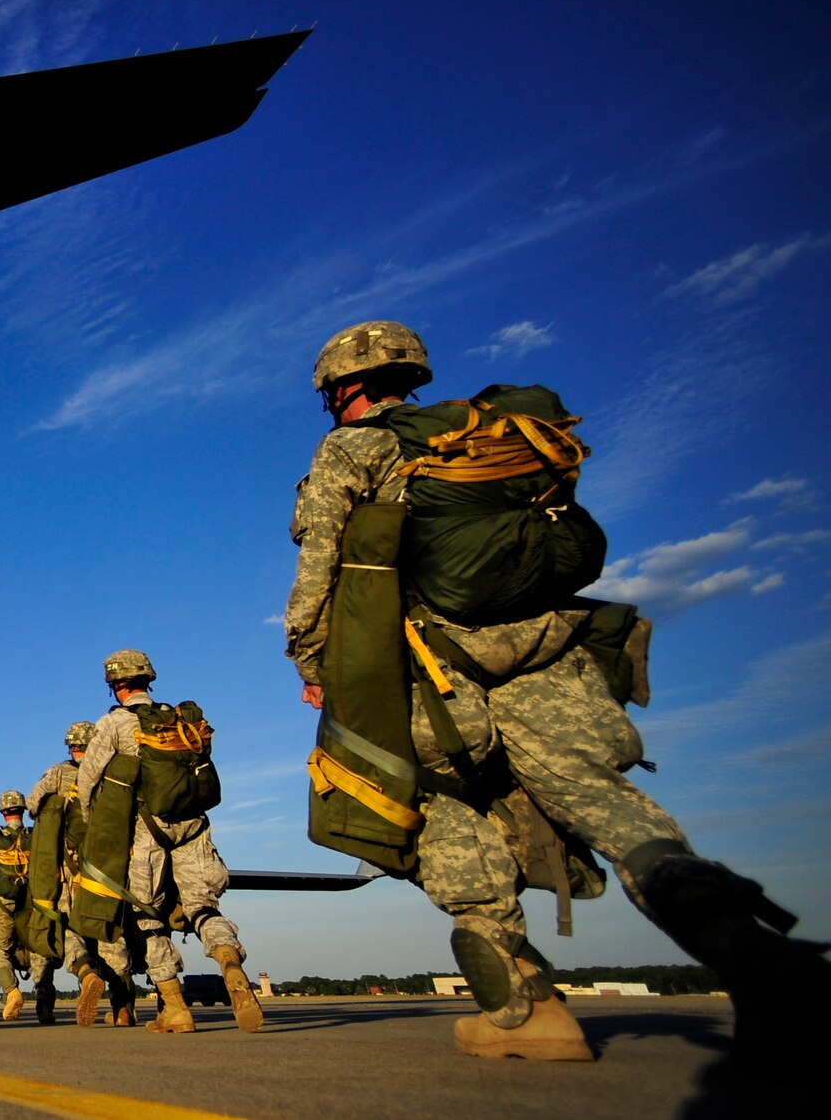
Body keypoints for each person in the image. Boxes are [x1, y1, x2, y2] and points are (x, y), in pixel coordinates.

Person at [285, 320, 831, 1063]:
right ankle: (755, 958)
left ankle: (525, 1009)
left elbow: (321, 562)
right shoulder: (490, 432)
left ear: (340, 387)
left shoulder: (353, 447)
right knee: (603, 800)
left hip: (433, 666)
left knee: (440, 812)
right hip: (549, 648)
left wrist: (313, 663)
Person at [79, 649, 261, 1034]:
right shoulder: (180, 719)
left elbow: (88, 783)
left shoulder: (114, 725)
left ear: (115, 686)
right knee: (203, 907)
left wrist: (98, 832)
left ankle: (175, 1009)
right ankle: (229, 962)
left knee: (147, 916)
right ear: (149, 679)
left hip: (147, 828)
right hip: (194, 825)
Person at [26, 721, 133, 1027]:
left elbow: (33, 804)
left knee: (72, 930)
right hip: (111, 869)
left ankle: (86, 972)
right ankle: (123, 1006)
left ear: (70, 746)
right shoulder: (112, 770)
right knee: (110, 930)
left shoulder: (59, 773)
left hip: (71, 870)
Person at [0, 790, 58, 1024]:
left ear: (3, 812)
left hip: (3, 903)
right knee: (40, 949)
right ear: (23, 810)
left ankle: (11, 991)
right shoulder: (37, 833)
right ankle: (44, 1005)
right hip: (33, 902)